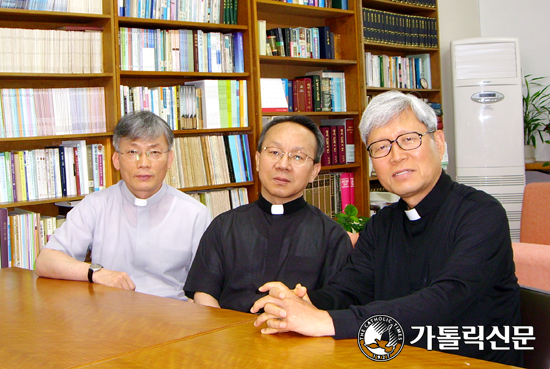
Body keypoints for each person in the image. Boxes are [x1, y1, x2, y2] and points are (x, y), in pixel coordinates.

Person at [250, 91, 522, 366]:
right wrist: (306, 302)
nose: (396, 156)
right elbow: (349, 290)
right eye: (381, 147)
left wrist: (326, 320)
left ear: (438, 143)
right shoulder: (382, 224)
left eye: (408, 140)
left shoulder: (481, 214)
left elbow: (445, 300)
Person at [35, 111, 211, 300]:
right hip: (110, 317)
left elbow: (207, 285)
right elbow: (45, 261)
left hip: (172, 318)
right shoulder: (95, 205)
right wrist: (96, 272)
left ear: (169, 159)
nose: (143, 163)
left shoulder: (195, 214)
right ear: (116, 160)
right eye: (133, 152)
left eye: (154, 152)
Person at [184, 115, 353, 312]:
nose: (283, 164)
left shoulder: (332, 236)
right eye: (274, 152)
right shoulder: (224, 226)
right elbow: (204, 293)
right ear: (256, 160)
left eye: (297, 156)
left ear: (315, 171)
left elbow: (337, 304)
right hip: (230, 337)